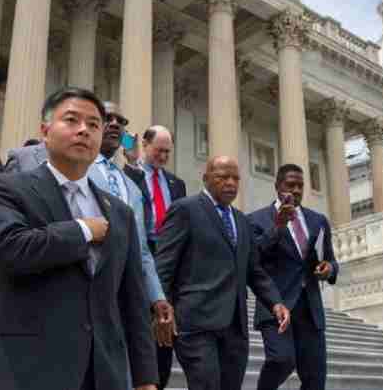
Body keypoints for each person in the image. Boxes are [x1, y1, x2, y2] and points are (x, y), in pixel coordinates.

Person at [0, 88, 158, 390]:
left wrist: (146, 378)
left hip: (101, 374)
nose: (84, 130)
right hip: (26, 368)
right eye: (72, 120)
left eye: (93, 124)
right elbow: (11, 249)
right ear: (45, 131)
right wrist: (83, 230)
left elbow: (133, 300)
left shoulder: (121, 213)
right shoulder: (6, 189)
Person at [156, 156, 290, 390]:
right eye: (223, 177)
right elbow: (164, 265)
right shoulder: (185, 209)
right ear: (206, 179)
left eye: (235, 178)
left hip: (234, 327)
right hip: (195, 324)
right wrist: (160, 307)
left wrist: (275, 302)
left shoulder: (241, 220)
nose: (230, 183)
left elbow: (254, 269)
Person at [89, 103, 175, 388]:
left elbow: (140, 249)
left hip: (124, 294)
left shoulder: (132, 187)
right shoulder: (75, 169)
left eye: (120, 121)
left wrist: (157, 296)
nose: (114, 123)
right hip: (83, 290)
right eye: (106, 118)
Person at [248, 164, 339, 390]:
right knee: (281, 360)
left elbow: (330, 259)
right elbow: (253, 258)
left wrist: (329, 269)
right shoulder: (256, 219)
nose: (296, 190)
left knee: (315, 379)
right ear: (278, 186)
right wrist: (278, 226)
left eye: (300, 185)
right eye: (291, 185)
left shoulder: (318, 220)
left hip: (310, 309)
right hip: (275, 306)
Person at [129, 125, 186, 390]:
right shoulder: (128, 176)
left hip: (169, 258)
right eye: (158, 150)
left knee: (164, 328)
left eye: (167, 152)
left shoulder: (176, 184)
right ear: (145, 145)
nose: (163, 156)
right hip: (140, 253)